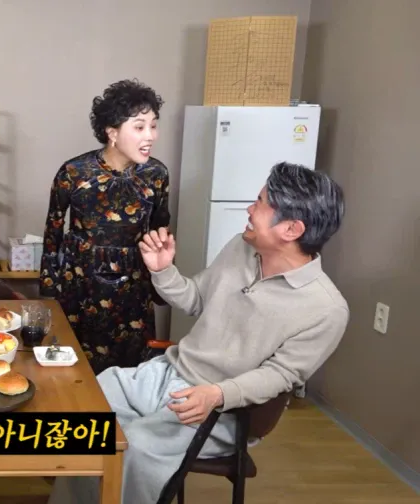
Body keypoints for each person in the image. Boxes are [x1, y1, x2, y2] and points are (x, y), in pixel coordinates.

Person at [47, 162, 349, 504]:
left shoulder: (326, 309)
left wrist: (216, 395)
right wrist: (163, 271)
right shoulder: (241, 247)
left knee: (134, 447)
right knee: (83, 407)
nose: (250, 209)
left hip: (218, 408)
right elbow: (196, 299)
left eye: (261, 202)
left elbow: (280, 376)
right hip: (168, 373)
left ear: (291, 229)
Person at [39, 79, 171, 374]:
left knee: (131, 369)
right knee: (75, 367)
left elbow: (161, 231)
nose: (150, 135)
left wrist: (160, 285)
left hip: (133, 282)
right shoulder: (73, 172)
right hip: (81, 280)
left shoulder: (157, 173)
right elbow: (53, 231)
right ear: (112, 132)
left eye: (153, 126)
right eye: (139, 127)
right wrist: (49, 289)